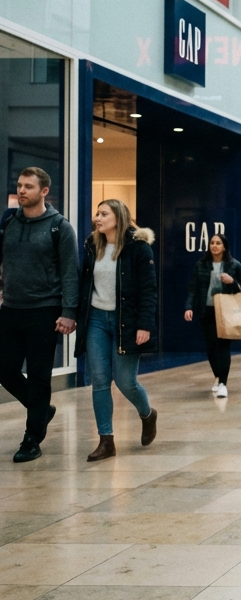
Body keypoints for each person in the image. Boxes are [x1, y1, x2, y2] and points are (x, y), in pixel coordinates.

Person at [0, 167, 79, 463]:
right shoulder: (9, 221)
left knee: (39, 377)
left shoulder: (60, 227)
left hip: (45, 311)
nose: (21, 191)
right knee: (4, 369)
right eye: (19, 185)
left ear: (44, 191)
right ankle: (42, 409)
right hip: (10, 308)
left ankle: (32, 438)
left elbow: (70, 274)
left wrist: (69, 312)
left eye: (28, 187)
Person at [75, 199, 158, 461]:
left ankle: (147, 414)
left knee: (125, 381)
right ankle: (106, 440)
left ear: (118, 217)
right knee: (99, 381)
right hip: (97, 320)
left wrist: (145, 325)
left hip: (127, 322)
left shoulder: (139, 248)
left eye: (103, 214)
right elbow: (85, 284)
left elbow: (148, 290)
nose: (97, 218)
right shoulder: (92, 245)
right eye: (96, 214)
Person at [184, 232, 241, 399]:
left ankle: (223, 384)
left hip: (227, 311)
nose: (214, 246)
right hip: (206, 310)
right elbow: (193, 288)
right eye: (212, 242)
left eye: (218, 243)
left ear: (224, 246)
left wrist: (232, 282)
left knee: (223, 347)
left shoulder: (234, 265)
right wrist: (188, 307)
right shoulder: (201, 264)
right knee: (211, 348)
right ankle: (218, 376)